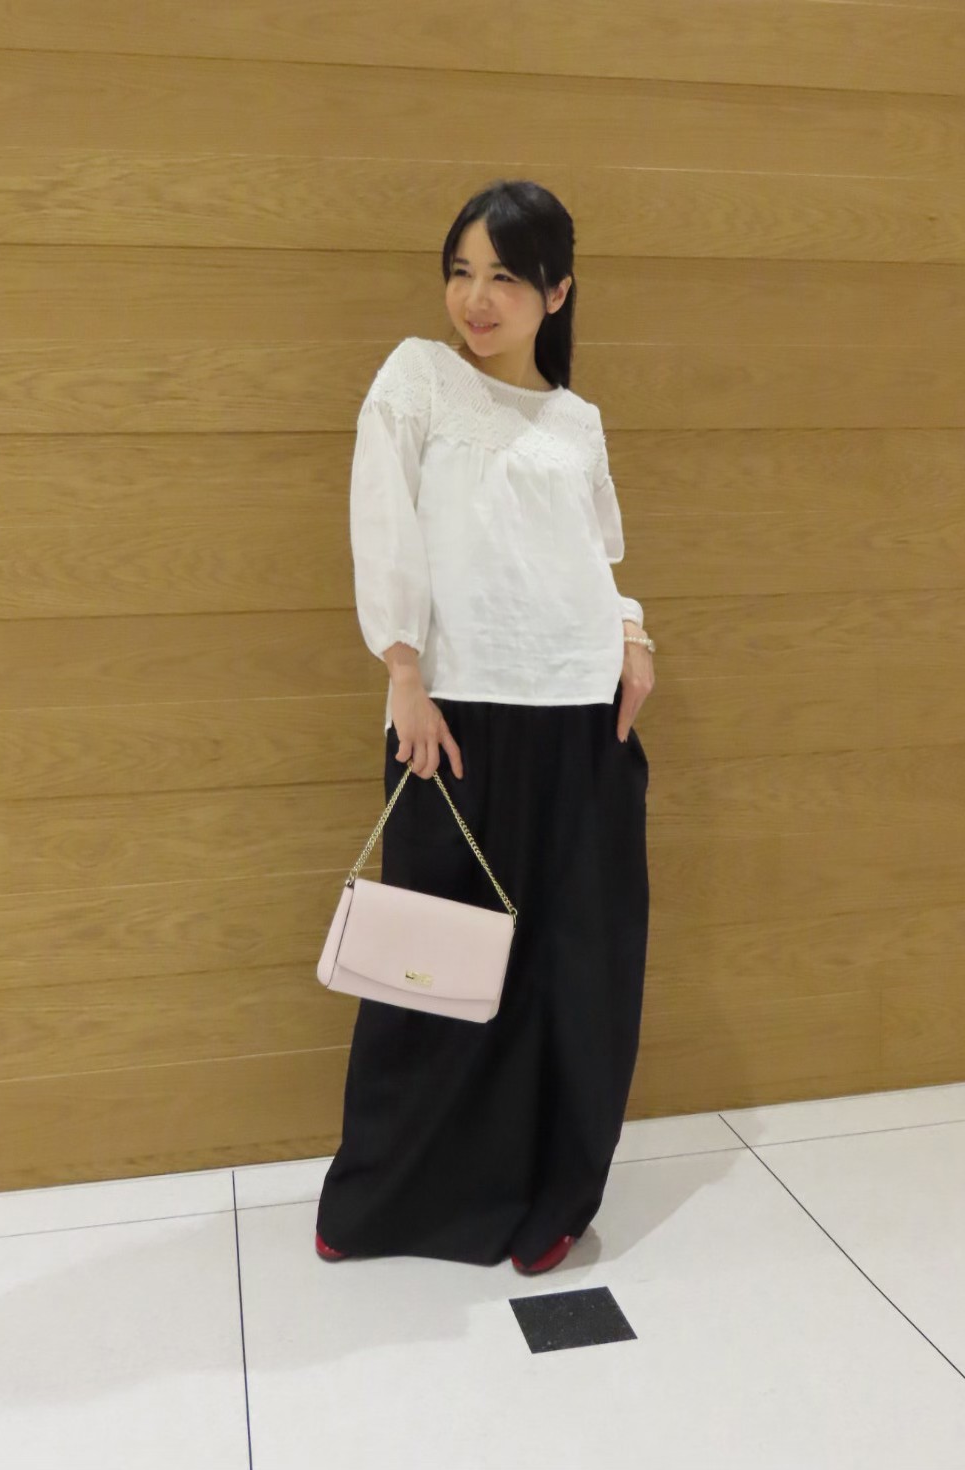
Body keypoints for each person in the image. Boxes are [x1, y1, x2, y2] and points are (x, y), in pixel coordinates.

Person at [315, 178, 655, 1276]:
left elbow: (596, 556)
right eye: (461, 271)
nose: (477, 298)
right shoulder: (416, 379)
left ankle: (557, 1192)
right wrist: (403, 671)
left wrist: (634, 637)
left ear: (557, 291)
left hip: (583, 724)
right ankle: (385, 1196)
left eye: (506, 276)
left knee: (576, 967)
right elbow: (383, 524)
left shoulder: (575, 422)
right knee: (432, 969)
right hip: (453, 720)